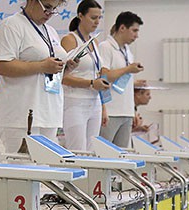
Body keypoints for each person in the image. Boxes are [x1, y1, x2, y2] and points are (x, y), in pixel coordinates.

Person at [0, 0, 78, 153]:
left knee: (45, 171)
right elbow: (1, 65)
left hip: (49, 113)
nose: (50, 13)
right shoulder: (12, 25)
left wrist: (65, 69)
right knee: (21, 172)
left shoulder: (49, 31)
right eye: (47, 7)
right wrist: (41, 66)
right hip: (21, 116)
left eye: (54, 9)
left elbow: (47, 72)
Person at [60, 0, 110, 151]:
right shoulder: (69, 40)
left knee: (92, 152)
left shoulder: (94, 42)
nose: (97, 22)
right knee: (78, 151)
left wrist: (104, 106)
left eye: (99, 18)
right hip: (75, 102)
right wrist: (90, 83)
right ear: (80, 16)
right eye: (93, 17)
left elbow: (99, 75)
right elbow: (61, 77)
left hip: (94, 103)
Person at [98, 11, 144, 148]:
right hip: (111, 111)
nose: (136, 35)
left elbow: (122, 80)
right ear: (122, 28)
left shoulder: (127, 51)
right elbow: (103, 76)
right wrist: (128, 69)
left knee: (122, 157)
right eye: (134, 30)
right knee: (106, 155)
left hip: (126, 110)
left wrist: (133, 111)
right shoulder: (105, 47)